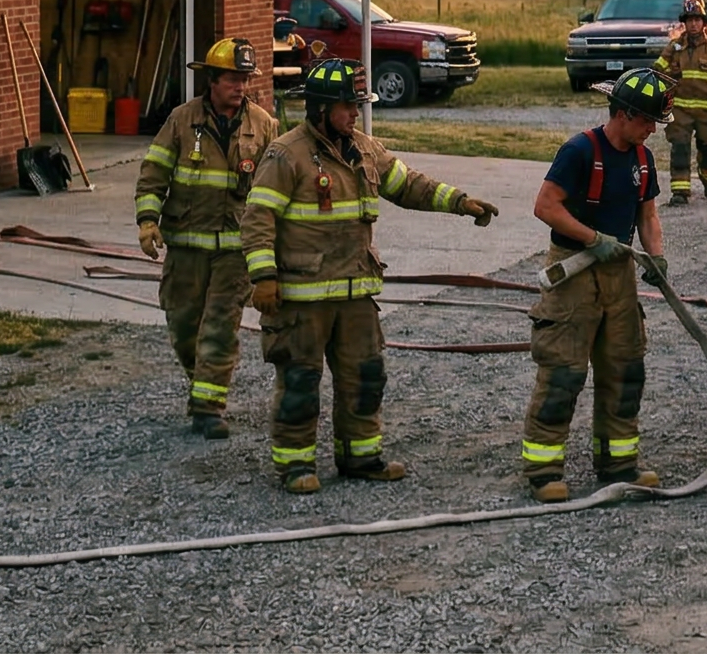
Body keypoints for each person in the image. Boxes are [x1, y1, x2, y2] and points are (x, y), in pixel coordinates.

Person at [240, 58, 498, 494]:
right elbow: (258, 216)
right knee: (300, 380)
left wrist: (460, 202)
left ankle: (360, 457)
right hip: (303, 297)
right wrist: (263, 277)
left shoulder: (364, 149)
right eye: (348, 106)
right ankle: (295, 465)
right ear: (322, 109)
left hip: (356, 293)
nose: (355, 113)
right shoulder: (286, 154)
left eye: (357, 105)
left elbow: (409, 184)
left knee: (366, 376)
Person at [522, 67, 672, 502]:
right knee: (564, 371)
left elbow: (648, 214)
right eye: (646, 121)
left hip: (619, 272)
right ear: (623, 114)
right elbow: (545, 206)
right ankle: (543, 469)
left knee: (625, 369)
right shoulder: (579, 151)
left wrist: (656, 256)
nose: (651, 130)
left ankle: (618, 462)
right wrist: (593, 239)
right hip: (574, 270)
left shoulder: (642, 159)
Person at [134, 36, 279, 438]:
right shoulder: (181, 121)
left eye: (245, 79)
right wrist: (148, 220)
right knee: (184, 329)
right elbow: (153, 174)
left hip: (235, 252)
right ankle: (202, 386)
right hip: (186, 247)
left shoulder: (264, 126)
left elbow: (275, 187)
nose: (241, 87)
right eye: (232, 79)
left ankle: (208, 408)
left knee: (219, 329)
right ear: (211, 80)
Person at [653, 0, 707, 203]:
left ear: (704, 23)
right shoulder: (674, 47)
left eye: (697, 20)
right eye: (689, 20)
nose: (693, 24)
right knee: (679, 147)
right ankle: (680, 192)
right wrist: (669, 73)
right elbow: (657, 72)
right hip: (679, 110)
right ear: (685, 23)